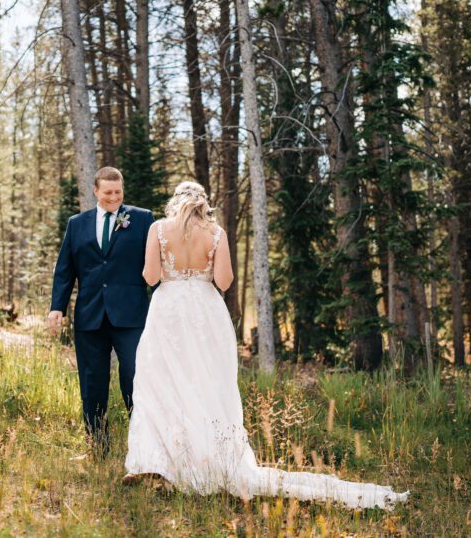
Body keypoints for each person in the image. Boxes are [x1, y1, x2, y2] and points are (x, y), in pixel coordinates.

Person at [124, 181, 408, 510]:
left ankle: (156, 464)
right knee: (206, 384)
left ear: (175, 201)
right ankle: (205, 460)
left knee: (161, 383)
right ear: (204, 203)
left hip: (169, 310)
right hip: (204, 312)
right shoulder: (215, 233)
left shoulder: (158, 229)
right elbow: (225, 281)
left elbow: (150, 276)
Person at [49, 166, 154, 449]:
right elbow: (64, 269)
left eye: (118, 192)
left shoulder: (143, 219)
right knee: (92, 380)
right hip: (90, 315)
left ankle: (143, 445)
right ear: (96, 191)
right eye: (108, 192)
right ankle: (97, 444)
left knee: (136, 375)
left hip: (131, 315)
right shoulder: (77, 224)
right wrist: (56, 307)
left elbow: (154, 264)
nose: (114, 197)